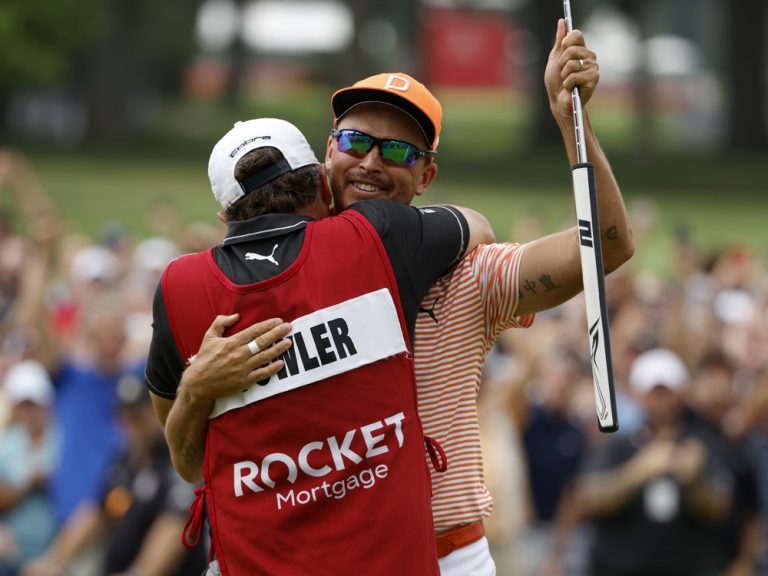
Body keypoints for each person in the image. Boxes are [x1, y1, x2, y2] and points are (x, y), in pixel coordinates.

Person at [172, 17, 635, 575]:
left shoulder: (469, 273)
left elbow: (605, 244)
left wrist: (572, 122)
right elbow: (195, 462)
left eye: (396, 150)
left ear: (427, 176)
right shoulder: (252, 278)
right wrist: (194, 390)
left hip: (442, 553)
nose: (370, 162)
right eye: (355, 141)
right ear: (326, 153)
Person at [144, 117, 492, 574]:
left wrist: (196, 388)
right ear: (323, 189)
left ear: (225, 218)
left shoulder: (179, 288)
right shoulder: (375, 235)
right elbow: (478, 227)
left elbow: (189, 464)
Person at [21, 373, 207, 576]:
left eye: (137, 416)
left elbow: (174, 526)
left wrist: (139, 573)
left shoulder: (177, 463)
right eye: (124, 416)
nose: (130, 424)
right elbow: (95, 513)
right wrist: (53, 562)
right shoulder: (123, 463)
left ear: (156, 413)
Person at [574, 348, 734, 576]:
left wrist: (694, 481)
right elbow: (586, 499)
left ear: (680, 394)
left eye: (665, 392)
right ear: (637, 394)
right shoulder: (618, 443)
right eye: (652, 392)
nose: (659, 401)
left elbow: (720, 508)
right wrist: (639, 472)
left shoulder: (700, 445)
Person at [0, 360, 58, 576]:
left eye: (33, 404)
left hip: (55, 550)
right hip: (10, 554)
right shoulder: (6, 444)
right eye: (22, 404)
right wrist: (28, 483)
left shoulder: (62, 439)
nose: (28, 411)